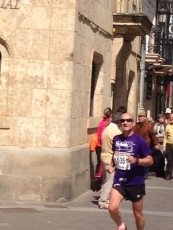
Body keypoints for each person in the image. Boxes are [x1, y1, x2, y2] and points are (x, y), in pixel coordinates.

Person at [108, 113, 153, 230]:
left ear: (133, 123)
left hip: (135, 182)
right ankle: (122, 226)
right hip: (120, 180)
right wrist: (112, 165)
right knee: (112, 207)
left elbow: (150, 160)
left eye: (128, 120)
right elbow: (115, 154)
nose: (125, 122)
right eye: (122, 120)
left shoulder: (139, 140)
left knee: (138, 214)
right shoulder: (116, 139)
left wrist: (137, 160)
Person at [98, 113, 122, 209]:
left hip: (104, 156)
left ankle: (102, 199)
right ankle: (104, 201)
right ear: (119, 122)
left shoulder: (107, 129)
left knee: (105, 180)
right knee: (109, 181)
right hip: (110, 158)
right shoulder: (115, 131)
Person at [133, 110, 159, 179]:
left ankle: (145, 173)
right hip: (137, 145)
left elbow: (153, 135)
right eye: (139, 117)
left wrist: (156, 143)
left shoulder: (148, 126)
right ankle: (138, 172)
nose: (139, 118)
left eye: (141, 117)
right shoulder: (136, 125)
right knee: (138, 159)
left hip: (146, 145)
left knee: (145, 159)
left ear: (144, 117)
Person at [95, 107, 112, 189]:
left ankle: (97, 183)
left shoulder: (101, 122)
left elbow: (98, 134)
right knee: (105, 164)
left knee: (99, 163)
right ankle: (101, 183)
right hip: (105, 145)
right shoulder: (109, 123)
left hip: (99, 145)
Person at [163, 112, 173, 180]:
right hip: (169, 145)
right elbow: (165, 137)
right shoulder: (168, 126)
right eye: (170, 118)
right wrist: (164, 145)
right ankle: (168, 174)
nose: (171, 119)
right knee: (169, 160)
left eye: (172, 118)